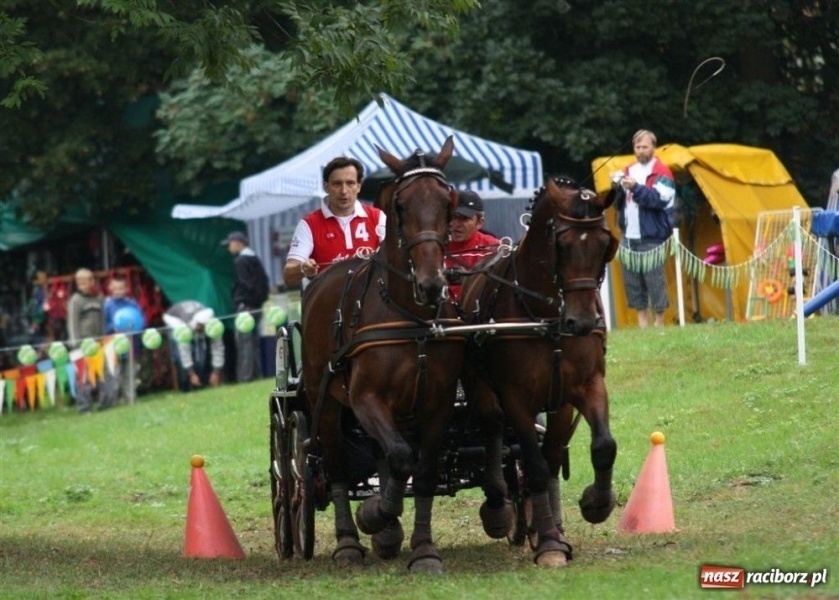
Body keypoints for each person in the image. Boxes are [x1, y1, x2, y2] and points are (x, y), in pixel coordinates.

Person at [283, 156, 386, 287]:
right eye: (337, 184)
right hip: (329, 303)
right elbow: (288, 276)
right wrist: (303, 268)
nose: (344, 191)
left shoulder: (378, 217)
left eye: (350, 183)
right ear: (326, 187)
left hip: (372, 301)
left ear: (359, 186)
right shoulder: (309, 224)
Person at [612, 129, 676, 328]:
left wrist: (635, 188)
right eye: (637, 147)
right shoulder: (628, 170)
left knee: (654, 279)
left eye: (645, 147)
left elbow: (658, 199)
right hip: (628, 234)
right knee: (632, 280)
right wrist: (617, 188)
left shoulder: (663, 172)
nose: (640, 151)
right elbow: (618, 204)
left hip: (652, 235)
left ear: (653, 148)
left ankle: (659, 322)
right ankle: (642, 324)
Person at [221, 231, 270, 383]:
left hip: (246, 307)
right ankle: (255, 374)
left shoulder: (240, 261)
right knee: (253, 342)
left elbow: (245, 284)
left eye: (230, 243)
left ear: (238, 243)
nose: (229, 247)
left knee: (244, 343)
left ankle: (245, 377)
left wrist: (245, 303)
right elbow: (264, 281)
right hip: (257, 307)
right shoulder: (254, 258)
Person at [67, 268, 116, 412]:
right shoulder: (75, 300)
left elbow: (102, 320)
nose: (82, 284)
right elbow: (72, 322)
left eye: (85, 281)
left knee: (105, 372)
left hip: (98, 342)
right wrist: (75, 342)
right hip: (81, 343)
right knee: (83, 377)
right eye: (79, 282)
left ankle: (106, 404)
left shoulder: (99, 298)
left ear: (92, 281)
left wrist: (103, 338)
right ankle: (85, 407)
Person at [444, 190, 501, 302]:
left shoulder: (495, 249)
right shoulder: (434, 248)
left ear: (479, 222)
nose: (455, 224)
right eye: (453, 217)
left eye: (464, 218)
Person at [163, 300, 224, 392]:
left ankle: (201, 383)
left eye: (201, 328)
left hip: (190, 319)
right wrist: (191, 373)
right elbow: (184, 351)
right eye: (198, 327)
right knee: (178, 357)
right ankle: (184, 388)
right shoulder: (186, 326)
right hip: (174, 319)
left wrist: (216, 372)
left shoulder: (215, 327)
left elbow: (218, 349)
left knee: (201, 353)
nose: (199, 330)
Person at [104, 276, 143, 403]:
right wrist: (114, 327)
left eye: (121, 288)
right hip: (113, 344)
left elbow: (140, 320)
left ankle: (130, 398)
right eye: (116, 288)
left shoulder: (132, 304)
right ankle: (113, 399)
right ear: (111, 289)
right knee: (114, 373)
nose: (118, 291)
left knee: (130, 372)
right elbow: (104, 324)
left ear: (126, 288)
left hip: (131, 343)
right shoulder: (107, 305)